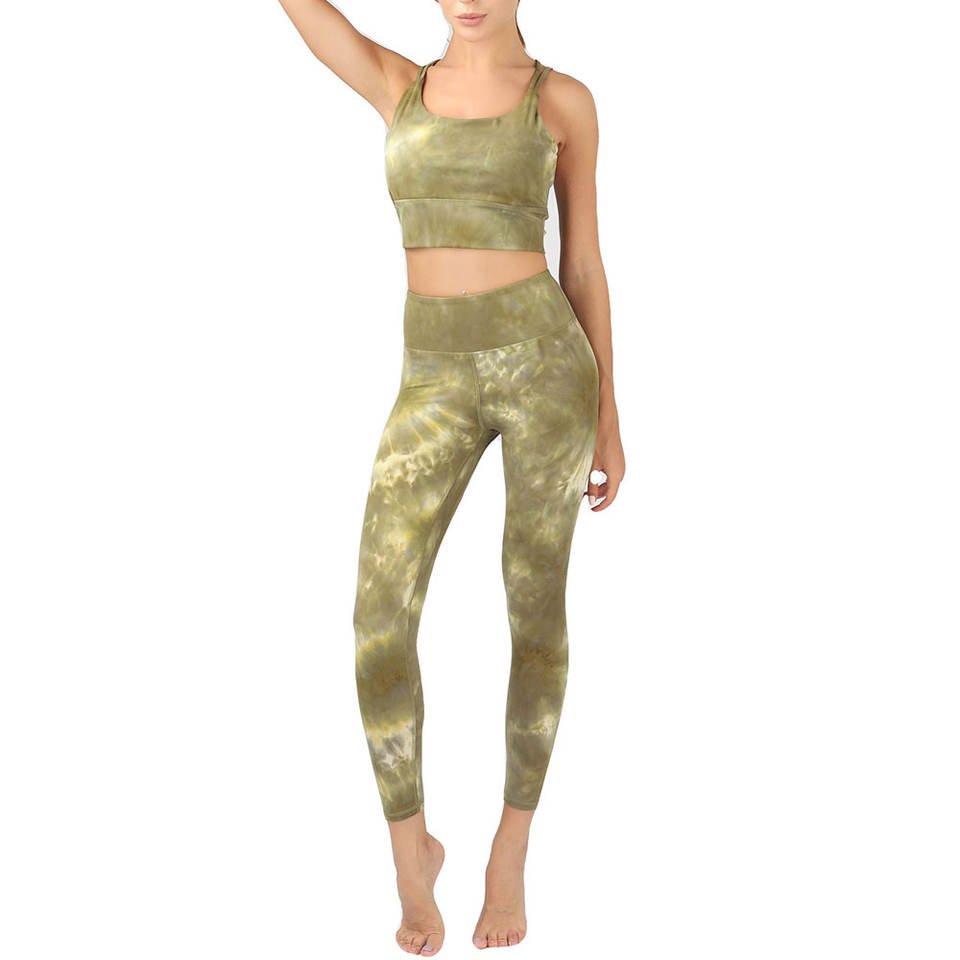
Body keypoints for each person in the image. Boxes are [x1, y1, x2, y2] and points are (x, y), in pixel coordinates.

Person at [278, 1, 626, 953]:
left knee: (534, 606)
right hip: (431, 378)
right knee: (377, 617)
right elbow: (309, 18)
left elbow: (583, 263)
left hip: (545, 369)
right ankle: (412, 855)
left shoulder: (562, 102)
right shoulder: (399, 86)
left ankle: (510, 850)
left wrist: (608, 413)